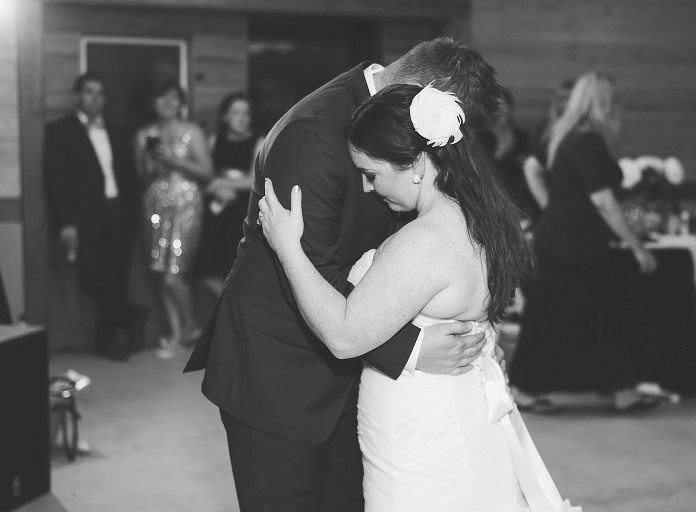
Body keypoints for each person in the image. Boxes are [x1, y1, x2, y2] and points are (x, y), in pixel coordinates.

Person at [184, 37, 505, 512]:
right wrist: (412, 348)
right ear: (421, 103)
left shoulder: (401, 141)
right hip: (281, 375)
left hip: (353, 377)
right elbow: (307, 270)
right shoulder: (313, 135)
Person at [258, 83, 578, 511]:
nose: (367, 188)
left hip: (421, 428)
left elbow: (344, 337)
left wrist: (288, 249)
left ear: (415, 164)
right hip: (465, 409)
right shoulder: (483, 218)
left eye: (371, 173)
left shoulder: (423, 241)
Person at [508, 71, 662, 414]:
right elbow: (604, 202)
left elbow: (534, 169)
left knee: (600, 317)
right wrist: (637, 247)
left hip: (570, 241)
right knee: (554, 318)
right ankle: (523, 388)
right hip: (573, 246)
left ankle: (621, 390)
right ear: (605, 104)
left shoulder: (564, 134)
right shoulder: (588, 140)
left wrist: (552, 206)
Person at [43, 72, 142, 361]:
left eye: (100, 93)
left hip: (120, 214)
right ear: (77, 96)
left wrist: (131, 208)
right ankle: (131, 313)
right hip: (84, 218)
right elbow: (56, 180)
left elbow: (129, 173)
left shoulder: (118, 130)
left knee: (116, 279)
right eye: (89, 92)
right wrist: (66, 223)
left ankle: (107, 342)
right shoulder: (59, 130)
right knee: (92, 279)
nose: (95, 98)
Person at [134, 81, 213, 359]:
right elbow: (142, 175)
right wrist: (152, 160)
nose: (167, 103)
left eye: (173, 98)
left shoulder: (192, 132)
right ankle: (176, 333)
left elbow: (206, 172)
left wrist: (174, 160)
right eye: (161, 97)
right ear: (153, 102)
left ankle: (190, 325)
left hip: (186, 201)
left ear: (181, 103)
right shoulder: (144, 134)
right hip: (155, 202)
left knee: (173, 273)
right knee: (160, 270)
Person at [194, 92, 264, 295]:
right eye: (236, 113)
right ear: (224, 116)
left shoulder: (258, 141)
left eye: (246, 113)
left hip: (243, 209)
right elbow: (204, 178)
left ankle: (234, 304)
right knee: (207, 266)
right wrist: (216, 188)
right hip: (216, 208)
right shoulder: (214, 140)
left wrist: (220, 183)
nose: (242, 118)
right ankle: (224, 301)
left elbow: (253, 179)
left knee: (236, 263)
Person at [479, 88, 536, 220]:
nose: (500, 111)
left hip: (519, 206)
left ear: (510, 108)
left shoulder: (522, 138)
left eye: (503, 106)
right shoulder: (481, 139)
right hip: (488, 205)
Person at [523, 79, 574, 213]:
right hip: (548, 188)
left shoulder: (582, 129)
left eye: (569, 98)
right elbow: (534, 163)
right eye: (561, 98)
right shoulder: (545, 126)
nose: (564, 103)